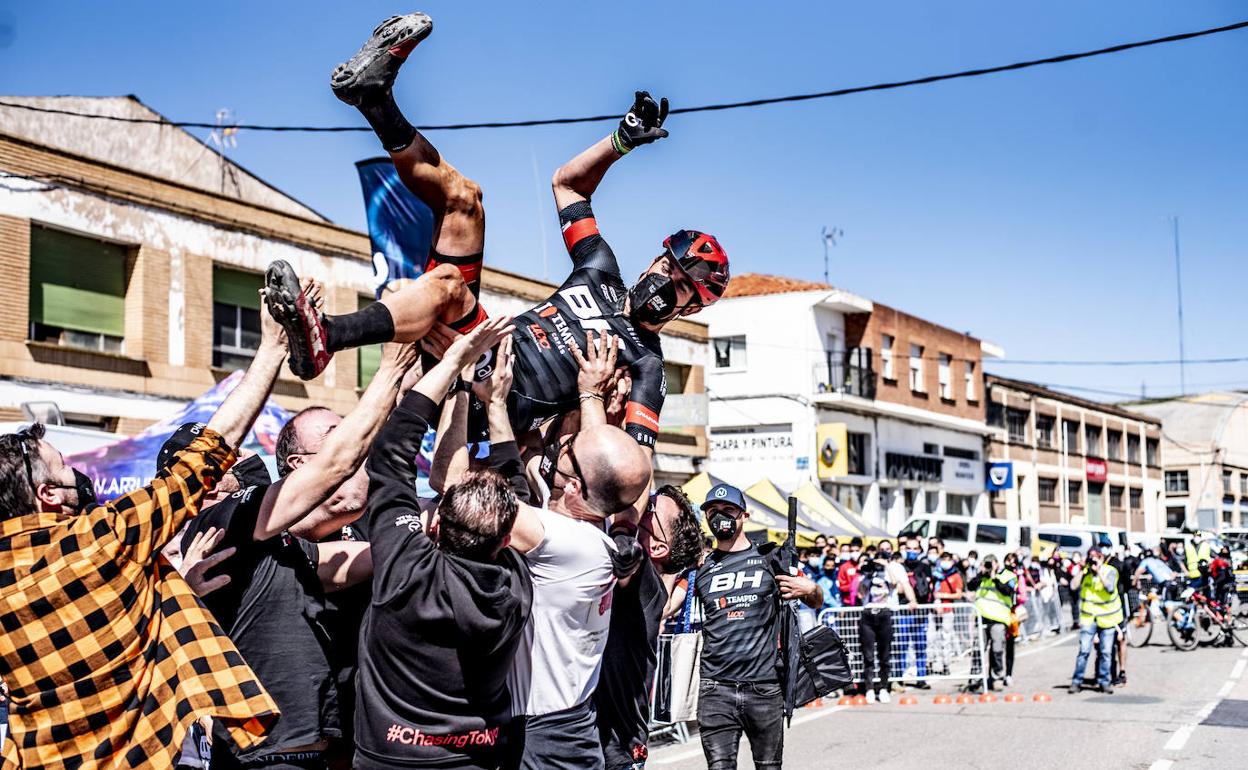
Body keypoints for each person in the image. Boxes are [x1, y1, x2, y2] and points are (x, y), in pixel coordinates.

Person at [269, 13, 729, 458]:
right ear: (656, 258)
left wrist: (593, 406)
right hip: (481, 345)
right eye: (670, 268)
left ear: (692, 307)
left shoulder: (648, 363)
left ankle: (328, 333)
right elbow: (568, 185)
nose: (667, 285)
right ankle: (374, 99)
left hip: (496, 402)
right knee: (464, 202)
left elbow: (630, 466)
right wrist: (621, 141)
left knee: (449, 287)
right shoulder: (601, 270)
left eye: (684, 287)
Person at [0, 324, 286, 766]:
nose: (77, 475)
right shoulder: (101, 537)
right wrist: (272, 348)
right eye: (63, 468)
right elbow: (209, 451)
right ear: (48, 496)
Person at [352, 319, 533, 770]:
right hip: (477, 760)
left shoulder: (407, 573)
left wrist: (454, 364)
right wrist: (491, 403)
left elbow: (390, 452)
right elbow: (522, 497)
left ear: (434, 526)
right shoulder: (515, 586)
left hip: (387, 761)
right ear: (507, 540)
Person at [693, 483, 822, 769]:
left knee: (768, 766)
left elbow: (815, 601)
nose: (720, 518)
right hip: (716, 689)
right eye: (713, 512)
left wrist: (810, 588)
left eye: (728, 510)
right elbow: (669, 609)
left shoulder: (771, 558)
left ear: (744, 516)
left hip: (764, 688)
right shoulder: (701, 568)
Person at [594, 485, 703, 770]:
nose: (644, 503)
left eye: (652, 506)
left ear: (657, 547)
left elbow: (631, 482)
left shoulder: (649, 588)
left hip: (616, 753)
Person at [857, 550, 916, 702]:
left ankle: (883, 688)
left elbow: (896, 583)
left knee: (884, 656)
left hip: (885, 615)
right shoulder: (869, 575)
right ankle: (869, 689)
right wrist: (866, 572)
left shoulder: (889, 574)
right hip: (868, 615)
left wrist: (886, 567)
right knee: (868, 656)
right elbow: (860, 593)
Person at [1070, 548, 1123, 694]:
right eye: (1090, 558)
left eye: (1096, 558)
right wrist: (1083, 570)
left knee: (1106, 652)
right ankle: (1076, 681)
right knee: (1084, 651)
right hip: (1089, 618)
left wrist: (1099, 571)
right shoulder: (1085, 573)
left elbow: (1110, 588)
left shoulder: (1110, 571)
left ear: (1101, 557)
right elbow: (1073, 586)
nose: (1093, 561)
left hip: (1106, 619)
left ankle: (1104, 681)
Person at [969, 555, 1015, 691]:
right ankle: (976, 678)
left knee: (997, 650)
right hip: (982, 618)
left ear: (997, 564)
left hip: (999, 620)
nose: (989, 566)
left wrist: (995, 576)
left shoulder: (1007, 576)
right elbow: (970, 585)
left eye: (991, 564)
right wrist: (982, 573)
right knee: (978, 650)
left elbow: (1008, 591)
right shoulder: (982, 577)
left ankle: (997, 677)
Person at [898, 536, 933, 689]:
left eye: (915, 548)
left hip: (921, 611)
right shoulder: (899, 566)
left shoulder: (925, 567)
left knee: (920, 645)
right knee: (901, 645)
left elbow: (929, 589)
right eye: (908, 548)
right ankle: (899, 677)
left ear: (920, 550)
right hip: (904, 611)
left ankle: (921, 677)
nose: (911, 552)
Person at [931, 552, 965, 676]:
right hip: (934, 609)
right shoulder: (935, 574)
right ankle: (934, 663)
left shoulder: (955, 576)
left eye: (947, 559)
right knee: (933, 638)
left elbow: (958, 594)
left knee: (946, 638)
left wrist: (944, 596)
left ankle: (946, 664)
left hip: (947, 610)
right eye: (943, 559)